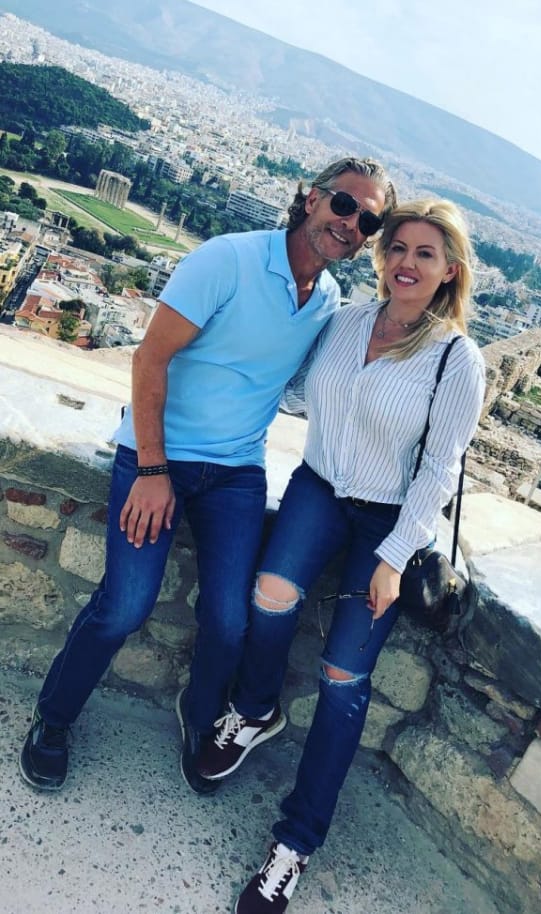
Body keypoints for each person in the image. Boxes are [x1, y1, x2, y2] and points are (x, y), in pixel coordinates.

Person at [19, 156, 397, 795]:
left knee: (229, 620)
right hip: (157, 454)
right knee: (125, 605)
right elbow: (149, 358)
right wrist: (152, 467)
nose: (351, 223)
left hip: (236, 473)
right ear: (309, 199)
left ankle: (200, 721)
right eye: (343, 204)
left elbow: (316, 389)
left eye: (369, 218)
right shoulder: (228, 260)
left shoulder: (328, 299)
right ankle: (53, 718)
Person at [195, 198, 487, 913]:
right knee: (268, 596)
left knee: (342, 676)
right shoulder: (346, 321)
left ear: (450, 271)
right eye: (397, 248)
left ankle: (293, 845)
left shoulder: (456, 357)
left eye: (425, 253)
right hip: (320, 489)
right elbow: (292, 387)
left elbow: (441, 469)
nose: (405, 262)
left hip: (390, 518)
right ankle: (255, 709)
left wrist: (392, 556)